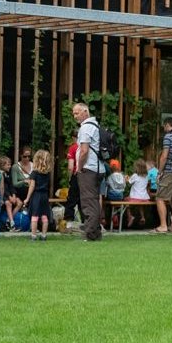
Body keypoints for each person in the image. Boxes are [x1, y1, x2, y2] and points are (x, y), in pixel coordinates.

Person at [69, 102, 106, 241]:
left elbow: (84, 150)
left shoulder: (85, 128)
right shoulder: (95, 125)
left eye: (77, 113)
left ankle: (90, 234)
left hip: (88, 169)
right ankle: (96, 233)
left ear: (85, 111)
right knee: (94, 201)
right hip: (98, 168)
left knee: (88, 202)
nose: (75, 116)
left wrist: (79, 167)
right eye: (73, 113)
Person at [26, 149, 54, 241]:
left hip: (36, 196)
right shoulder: (47, 173)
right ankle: (44, 235)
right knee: (44, 215)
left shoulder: (34, 173)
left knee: (35, 216)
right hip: (44, 196)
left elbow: (32, 186)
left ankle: (33, 236)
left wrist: (27, 198)